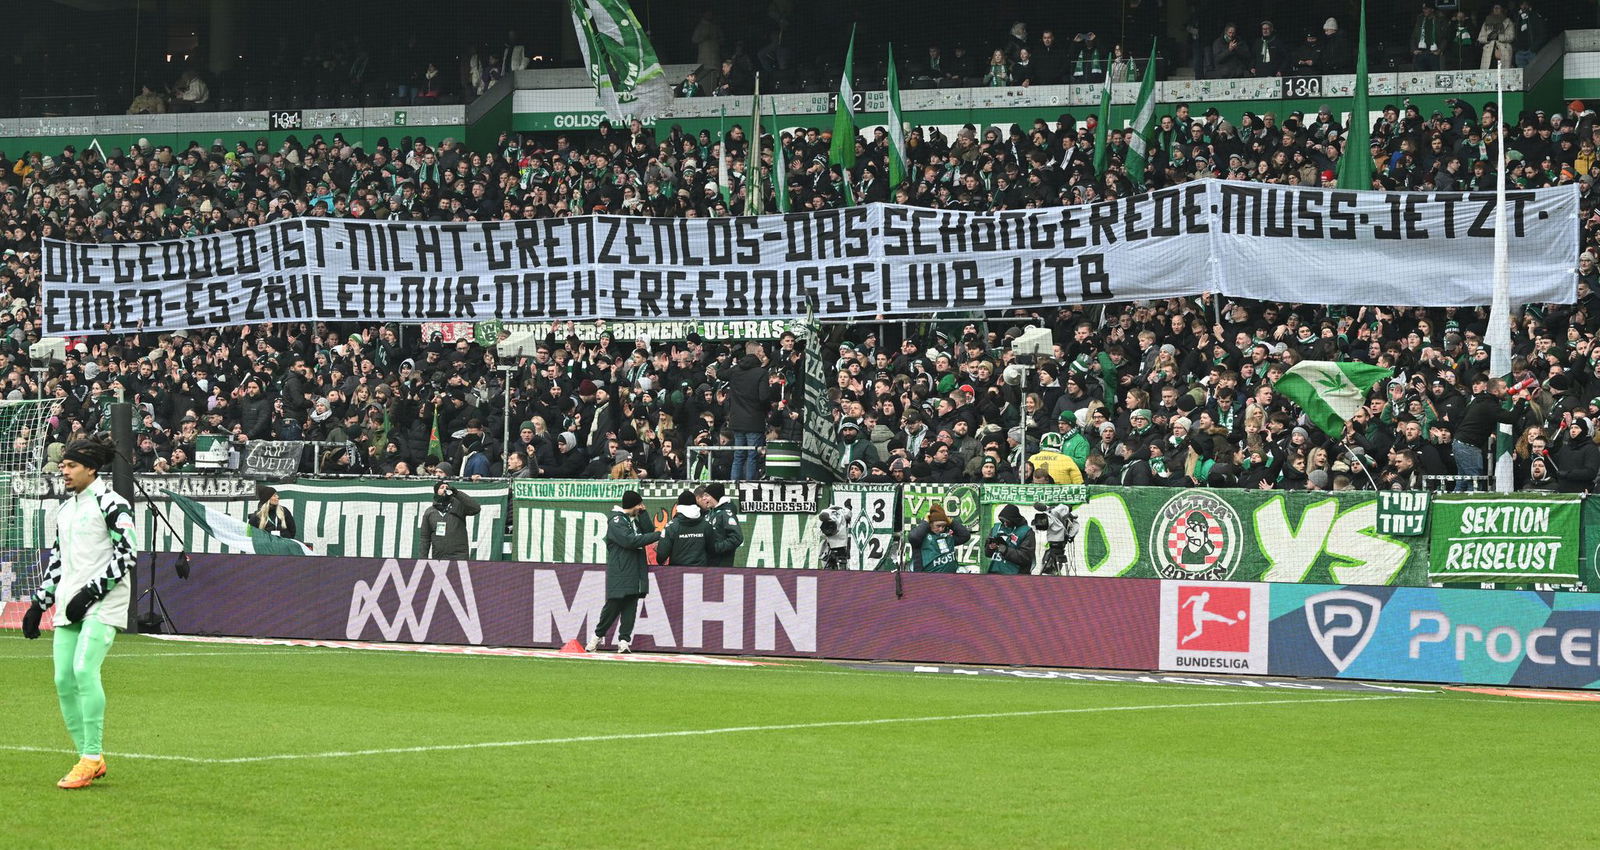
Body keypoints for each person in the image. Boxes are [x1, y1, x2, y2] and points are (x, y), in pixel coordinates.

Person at [20, 435, 135, 790]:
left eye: (71, 466)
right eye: (63, 466)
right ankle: (91, 758)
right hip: (70, 601)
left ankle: (90, 757)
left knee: (84, 669)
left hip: (103, 601)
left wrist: (91, 591)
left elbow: (127, 554)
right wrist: (39, 603)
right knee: (63, 680)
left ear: (91, 468)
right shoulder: (66, 510)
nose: (64, 472)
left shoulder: (113, 503)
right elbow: (58, 560)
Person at [587, 490, 660, 653]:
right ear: (633, 505)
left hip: (635, 569)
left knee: (631, 606)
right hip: (620, 570)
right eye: (640, 504)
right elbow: (629, 541)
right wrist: (659, 535)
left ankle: (624, 641)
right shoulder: (617, 521)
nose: (642, 507)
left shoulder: (634, 520)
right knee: (613, 605)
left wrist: (643, 513)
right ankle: (597, 636)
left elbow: (648, 531)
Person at [417, 481, 481, 558]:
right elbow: (425, 538)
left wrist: (457, 493)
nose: (445, 489)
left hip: (459, 556)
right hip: (439, 557)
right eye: (442, 487)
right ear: (436, 492)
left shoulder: (459, 505)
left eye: (447, 487)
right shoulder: (429, 512)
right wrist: (422, 559)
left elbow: (476, 508)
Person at [906, 503, 971, 573]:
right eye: (938, 526)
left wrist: (951, 522)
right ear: (930, 524)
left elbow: (965, 536)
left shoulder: (947, 537)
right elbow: (913, 537)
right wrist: (925, 522)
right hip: (927, 578)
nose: (941, 529)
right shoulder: (921, 538)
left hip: (950, 577)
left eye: (944, 526)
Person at [657, 491, 711, 565]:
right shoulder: (706, 524)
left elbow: (662, 553)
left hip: (678, 570)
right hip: (701, 569)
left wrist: (660, 561)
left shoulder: (671, 526)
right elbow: (712, 549)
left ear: (679, 506)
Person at [696, 482, 743, 567]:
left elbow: (737, 538)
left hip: (721, 565)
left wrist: (716, 548)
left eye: (707, 495)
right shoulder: (710, 513)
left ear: (714, 496)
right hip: (709, 563)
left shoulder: (725, 514)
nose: (704, 498)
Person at [984, 504, 1035, 575]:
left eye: (1007, 521)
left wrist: (1006, 551)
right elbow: (987, 553)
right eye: (1002, 520)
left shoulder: (1026, 531)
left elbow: (1026, 558)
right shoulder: (996, 528)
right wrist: (990, 547)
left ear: (1014, 520)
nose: (1005, 523)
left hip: (1015, 574)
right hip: (994, 571)